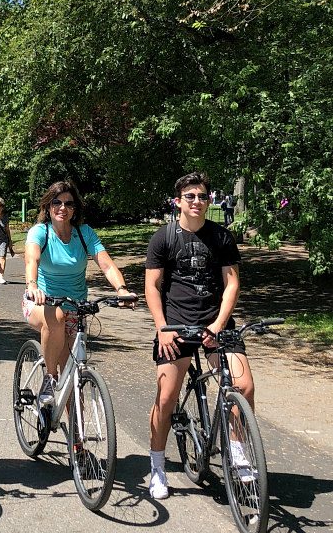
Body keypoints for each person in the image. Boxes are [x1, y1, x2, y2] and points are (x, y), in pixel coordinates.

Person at [144, 171, 253, 500]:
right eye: (190, 196)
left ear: (209, 200)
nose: (197, 202)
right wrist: (162, 328)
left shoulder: (221, 237)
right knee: (166, 398)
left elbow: (232, 284)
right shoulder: (164, 238)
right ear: (178, 201)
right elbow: (152, 286)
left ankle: (237, 449)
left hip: (216, 323)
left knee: (243, 385)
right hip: (176, 326)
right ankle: (158, 466)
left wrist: (218, 325)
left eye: (202, 196)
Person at [23, 180, 137, 407]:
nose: (62, 208)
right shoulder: (40, 232)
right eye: (56, 202)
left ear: (75, 209)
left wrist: (121, 289)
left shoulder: (84, 234)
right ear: (48, 206)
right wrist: (33, 285)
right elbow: (31, 259)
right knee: (56, 318)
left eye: (68, 203)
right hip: (40, 302)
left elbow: (106, 265)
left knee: (72, 377)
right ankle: (48, 377)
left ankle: (77, 440)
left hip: (75, 306)